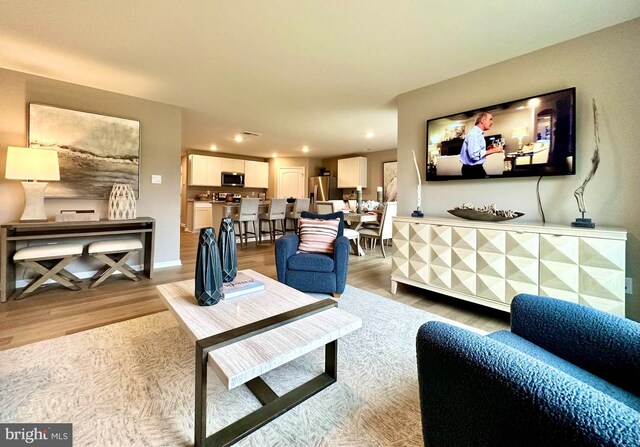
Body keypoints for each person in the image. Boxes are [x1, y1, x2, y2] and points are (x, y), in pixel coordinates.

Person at [459, 112, 503, 178]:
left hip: (475, 169)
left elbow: (476, 152)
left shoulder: (478, 133)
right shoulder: (475, 134)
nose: (492, 122)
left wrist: (489, 149)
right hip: (472, 171)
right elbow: (474, 155)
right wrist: (494, 150)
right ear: (483, 120)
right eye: (490, 119)